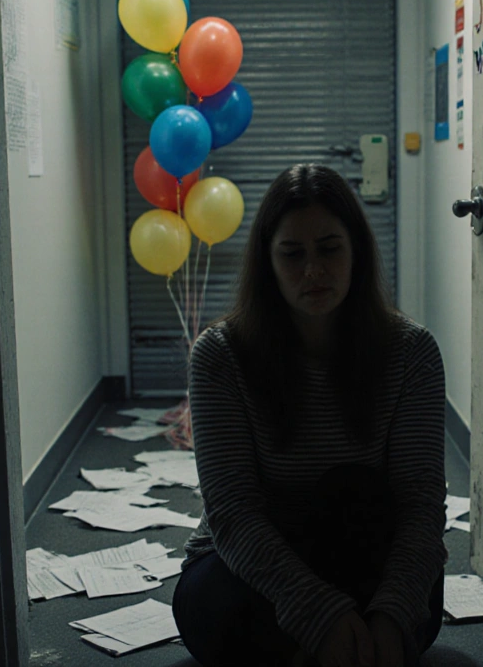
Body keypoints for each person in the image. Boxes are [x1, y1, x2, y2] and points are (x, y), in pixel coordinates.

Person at [172, 164, 447, 667]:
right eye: (292, 255)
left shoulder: (412, 352)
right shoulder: (220, 355)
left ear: (356, 251)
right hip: (251, 565)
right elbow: (233, 514)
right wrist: (321, 614)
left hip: (360, 553)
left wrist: (390, 614)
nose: (313, 272)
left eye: (329, 249)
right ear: (267, 263)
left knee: (359, 495)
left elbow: (420, 504)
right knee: (214, 606)